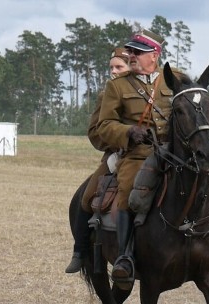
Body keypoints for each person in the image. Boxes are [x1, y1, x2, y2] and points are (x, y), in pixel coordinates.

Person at [96, 29, 209, 286]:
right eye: (130, 52)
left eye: (137, 52)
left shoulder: (175, 78)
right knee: (129, 193)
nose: (131, 55)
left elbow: (194, 108)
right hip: (137, 154)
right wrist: (129, 132)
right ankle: (125, 258)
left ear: (154, 55)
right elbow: (104, 126)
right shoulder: (117, 86)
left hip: (176, 153)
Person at [65, 47, 131, 273]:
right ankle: (80, 251)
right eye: (111, 67)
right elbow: (94, 132)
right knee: (86, 197)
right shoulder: (105, 96)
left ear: (131, 67)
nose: (114, 71)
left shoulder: (146, 93)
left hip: (151, 154)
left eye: (119, 67)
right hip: (117, 155)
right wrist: (116, 144)